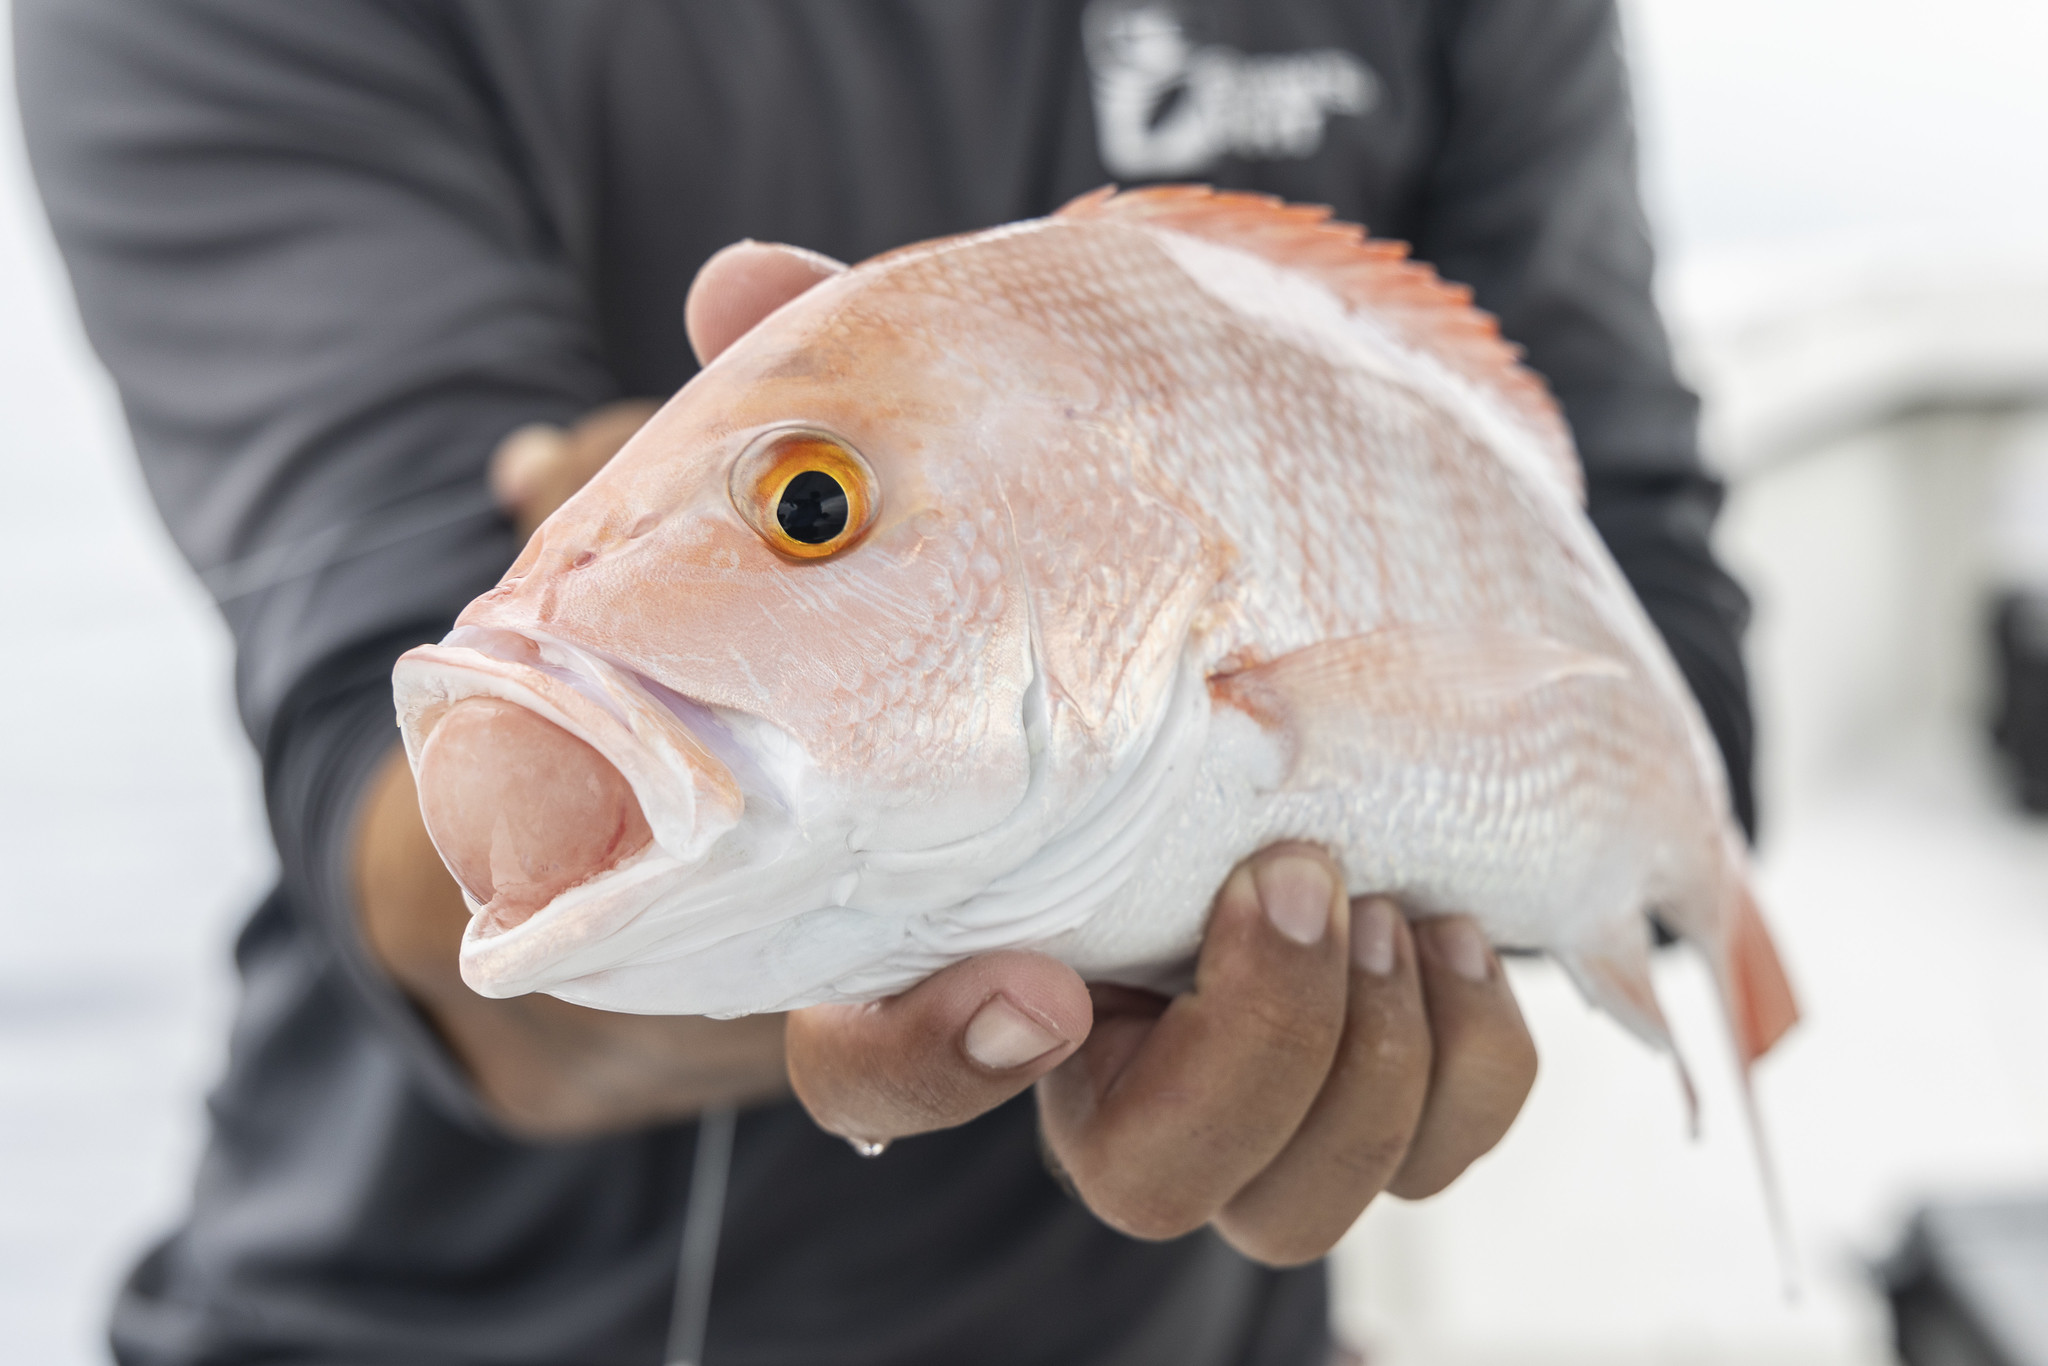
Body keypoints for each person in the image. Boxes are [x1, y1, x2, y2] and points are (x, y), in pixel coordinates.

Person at [16, 2, 1755, 1363]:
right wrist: (967, 862)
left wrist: (1315, 910)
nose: (808, 519)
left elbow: (1659, 661)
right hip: (429, 1317)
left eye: (815, 508)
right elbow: (416, 833)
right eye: (810, 506)